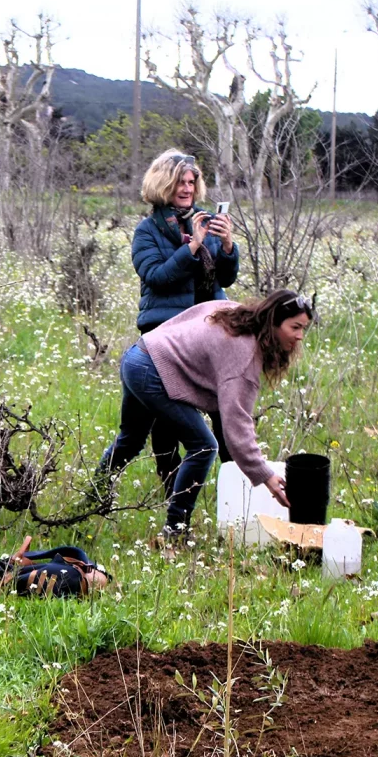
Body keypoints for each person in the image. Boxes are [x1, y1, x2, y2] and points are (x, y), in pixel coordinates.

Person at [97, 290, 314, 542]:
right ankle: (175, 531)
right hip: (152, 372)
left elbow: (193, 317)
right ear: (274, 320)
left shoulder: (235, 314)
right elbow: (237, 422)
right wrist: (265, 475)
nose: (299, 337)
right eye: (295, 327)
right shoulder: (244, 354)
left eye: (303, 329)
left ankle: (91, 500)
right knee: (203, 446)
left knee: (131, 440)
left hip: (138, 354)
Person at [130, 149, 239, 501]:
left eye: (192, 181)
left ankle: (235, 490)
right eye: (180, 181)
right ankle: (173, 491)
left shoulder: (203, 221)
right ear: (164, 183)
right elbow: (157, 277)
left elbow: (226, 277)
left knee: (225, 409)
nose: (187, 188)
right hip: (166, 335)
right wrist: (192, 245)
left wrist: (225, 245)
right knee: (168, 421)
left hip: (209, 330)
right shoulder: (147, 231)